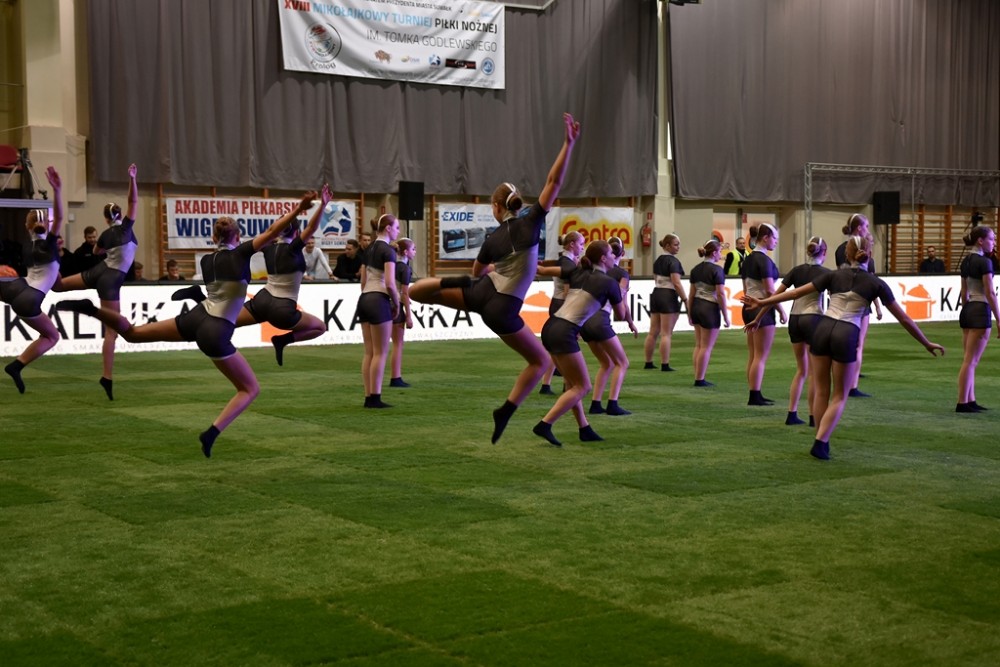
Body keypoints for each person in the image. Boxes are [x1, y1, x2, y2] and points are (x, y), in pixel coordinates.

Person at [56, 191, 317, 457]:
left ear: (214, 238)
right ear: (238, 237)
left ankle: (93, 309)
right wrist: (299, 209)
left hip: (196, 317)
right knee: (250, 389)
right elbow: (273, 232)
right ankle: (211, 433)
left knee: (132, 334)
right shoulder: (240, 254)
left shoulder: (206, 260)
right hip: (215, 330)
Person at [409, 112, 581, 443]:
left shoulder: (492, 238)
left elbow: (478, 271)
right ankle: (506, 410)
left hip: (480, 291)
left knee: (417, 292)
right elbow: (553, 182)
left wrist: (481, 276)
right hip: (503, 307)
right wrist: (568, 144)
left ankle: (447, 282)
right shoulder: (531, 221)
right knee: (540, 361)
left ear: (496, 207)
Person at [742, 235, 944, 460]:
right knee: (839, 395)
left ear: (846, 254)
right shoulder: (875, 283)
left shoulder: (833, 275)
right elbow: (904, 318)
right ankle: (821, 441)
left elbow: (795, 293)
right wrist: (926, 342)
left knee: (821, 390)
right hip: (846, 332)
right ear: (870, 254)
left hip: (823, 328)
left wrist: (762, 302)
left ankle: (820, 438)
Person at [172, 187, 331, 367]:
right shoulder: (294, 249)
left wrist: (289, 217)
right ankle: (283, 340)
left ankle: (199, 298)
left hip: (262, 300)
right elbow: (311, 227)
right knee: (320, 327)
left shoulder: (268, 248)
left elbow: (271, 231)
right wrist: (322, 205)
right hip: (282, 308)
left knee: (222, 319)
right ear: (296, 232)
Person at [533, 240, 636, 446]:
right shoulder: (609, 283)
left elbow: (543, 271)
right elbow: (620, 314)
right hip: (565, 331)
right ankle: (545, 424)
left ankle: (584, 428)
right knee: (582, 386)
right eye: (611, 254)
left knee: (572, 385)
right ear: (603, 258)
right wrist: (622, 292)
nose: (614, 257)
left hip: (551, 326)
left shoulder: (577, 271)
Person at [52, 163, 138, 400]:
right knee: (112, 331)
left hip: (98, 271)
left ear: (105, 218)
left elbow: (97, 251)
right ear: (119, 215)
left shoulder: (105, 234)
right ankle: (106, 376)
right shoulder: (127, 227)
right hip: (111, 279)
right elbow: (133, 201)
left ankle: (51, 256)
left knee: (59, 286)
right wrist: (132, 178)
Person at [747, 236, 830, 426]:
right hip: (813, 317)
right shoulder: (826, 273)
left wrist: (758, 318)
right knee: (813, 373)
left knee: (801, 369)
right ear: (824, 253)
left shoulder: (796, 270)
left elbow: (775, 296)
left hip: (795, 319)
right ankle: (813, 417)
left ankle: (792, 413)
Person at [2, 167, 64, 394]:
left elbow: (50, 273)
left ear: (26, 226)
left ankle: (15, 367)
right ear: (46, 224)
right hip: (29, 298)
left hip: (16, 287)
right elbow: (59, 217)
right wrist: (57, 190)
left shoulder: (27, 246)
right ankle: (16, 366)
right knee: (52, 336)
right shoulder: (49, 245)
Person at [583, 236, 637, 415]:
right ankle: (613, 403)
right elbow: (622, 306)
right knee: (622, 362)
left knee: (606, 363)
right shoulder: (621, 274)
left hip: (585, 322)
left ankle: (596, 403)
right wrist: (630, 322)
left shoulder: (589, 272)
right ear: (622, 253)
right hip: (601, 321)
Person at [834, 213, 882, 397]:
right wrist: (877, 305)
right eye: (866, 226)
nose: (868, 229)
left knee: (843, 344)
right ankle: (852, 386)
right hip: (860, 301)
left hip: (841, 301)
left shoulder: (840, 249)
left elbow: (840, 276)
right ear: (859, 228)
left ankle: (841, 381)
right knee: (858, 344)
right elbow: (871, 282)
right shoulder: (865, 251)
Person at [358, 214, 401, 408]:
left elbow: (363, 281)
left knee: (369, 352)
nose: (398, 231)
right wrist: (396, 303)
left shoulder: (368, 249)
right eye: (396, 227)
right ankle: (375, 397)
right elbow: (390, 283)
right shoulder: (388, 251)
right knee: (380, 352)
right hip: (378, 299)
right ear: (388, 228)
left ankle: (368, 396)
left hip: (365, 298)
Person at [956, 226, 1000, 412]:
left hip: (968, 309)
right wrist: (999, 319)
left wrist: (966, 309)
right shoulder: (984, 262)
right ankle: (962, 402)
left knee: (969, 359)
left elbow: (964, 292)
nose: (994, 243)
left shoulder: (966, 261)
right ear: (980, 241)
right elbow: (990, 292)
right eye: (992, 239)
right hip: (980, 309)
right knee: (971, 361)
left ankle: (970, 399)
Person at [742, 223, 786, 405]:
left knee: (753, 354)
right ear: (766, 238)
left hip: (748, 306)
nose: (776, 242)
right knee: (760, 356)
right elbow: (770, 291)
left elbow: (745, 288)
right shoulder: (764, 261)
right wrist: (781, 310)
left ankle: (754, 391)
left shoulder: (748, 259)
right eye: (775, 238)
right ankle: (755, 394)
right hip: (761, 307)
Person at [537, 231, 584, 395]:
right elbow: (567, 292)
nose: (582, 247)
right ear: (572, 244)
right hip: (562, 305)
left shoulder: (565, 261)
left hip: (557, 303)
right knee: (568, 347)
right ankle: (567, 386)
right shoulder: (568, 264)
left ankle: (547, 384)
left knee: (557, 349)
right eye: (581, 244)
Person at [688, 239, 730, 387]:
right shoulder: (717, 270)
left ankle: (697, 375)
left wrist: (689, 313)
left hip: (696, 306)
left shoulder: (695, 269)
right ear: (714, 253)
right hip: (709, 308)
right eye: (720, 252)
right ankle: (700, 379)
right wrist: (726, 316)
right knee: (706, 346)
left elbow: (691, 294)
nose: (720, 255)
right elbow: (720, 294)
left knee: (699, 344)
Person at [643, 233, 687, 372]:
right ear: (667, 246)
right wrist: (685, 299)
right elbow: (676, 282)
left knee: (653, 332)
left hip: (656, 292)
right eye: (676, 244)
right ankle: (665, 364)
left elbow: (655, 278)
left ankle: (648, 362)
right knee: (666, 333)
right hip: (668, 294)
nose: (678, 247)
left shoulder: (658, 260)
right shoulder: (673, 262)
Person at [389, 237, 416, 388]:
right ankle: (396, 377)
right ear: (405, 252)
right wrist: (409, 316)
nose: (415, 252)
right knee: (398, 344)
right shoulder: (404, 269)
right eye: (413, 249)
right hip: (396, 305)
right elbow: (404, 294)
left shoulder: (390, 265)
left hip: (383, 303)